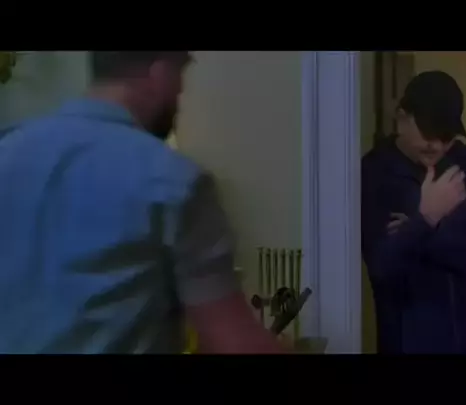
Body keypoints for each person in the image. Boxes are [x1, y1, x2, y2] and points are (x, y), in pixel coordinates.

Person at [0, 51, 283, 354]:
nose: (179, 95)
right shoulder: (173, 181)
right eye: (179, 78)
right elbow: (234, 343)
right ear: (159, 75)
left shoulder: (7, 152)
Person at [361, 71, 466, 354]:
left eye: (446, 136)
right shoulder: (374, 172)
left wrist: (427, 238)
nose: (438, 145)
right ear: (402, 118)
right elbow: (382, 267)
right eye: (429, 132)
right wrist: (427, 217)